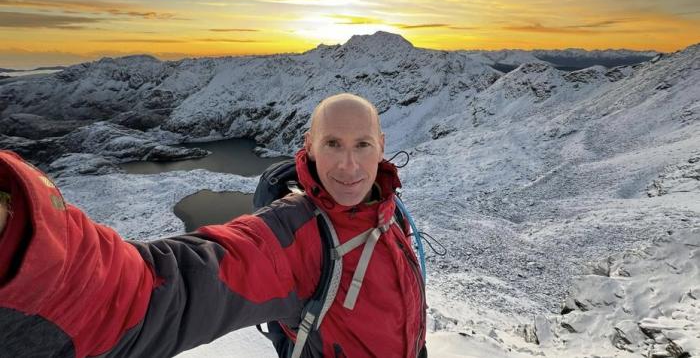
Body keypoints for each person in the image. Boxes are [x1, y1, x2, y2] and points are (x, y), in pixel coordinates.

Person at [0, 93, 427, 358]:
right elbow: (168, 289)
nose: (350, 165)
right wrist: (21, 234)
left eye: (362, 145)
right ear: (309, 147)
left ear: (382, 147)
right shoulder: (294, 234)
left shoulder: (389, 213)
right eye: (332, 144)